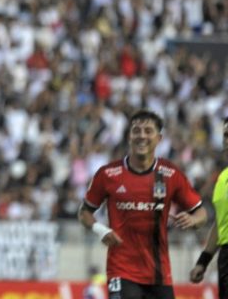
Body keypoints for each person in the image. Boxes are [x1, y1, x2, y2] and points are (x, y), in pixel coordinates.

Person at [78, 110, 207, 299]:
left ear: (159, 138)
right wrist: (100, 229)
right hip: (121, 270)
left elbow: (201, 213)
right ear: (129, 136)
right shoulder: (108, 174)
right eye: (136, 131)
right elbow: (84, 212)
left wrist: (193, 220)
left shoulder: (170, 174)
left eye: (148, 131)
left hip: (159, 274)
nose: (142, 136)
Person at [189, 116, 228, 296]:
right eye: (225, 135)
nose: (227, 140)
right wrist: (203, 261)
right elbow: (221, 224)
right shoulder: (222, 179)